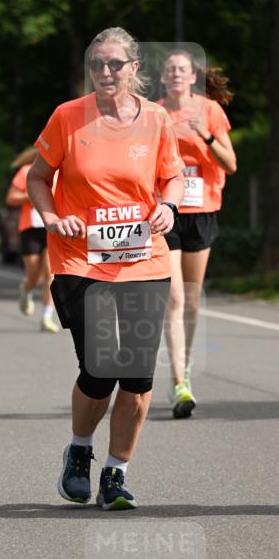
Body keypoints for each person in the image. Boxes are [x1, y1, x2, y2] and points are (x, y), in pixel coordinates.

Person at [28, 27, 184, 510]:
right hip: (80, 258)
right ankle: (79, 451)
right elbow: (38, 176)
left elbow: (173, 175)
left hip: (144, 260)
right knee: (100, 367)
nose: (104, 72)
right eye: (96, 63)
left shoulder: (156, 119)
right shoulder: (67, 117)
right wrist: (52, 217)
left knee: (136, 376)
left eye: (114, 64)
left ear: (135, 68)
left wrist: (169, 208)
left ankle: (115, 473)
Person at [159, 52, 237, 417]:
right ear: (163, 77)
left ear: (192, 77)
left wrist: (202, 134)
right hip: (168, 213)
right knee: (173, 299)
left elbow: (231, 164)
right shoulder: (154, 113)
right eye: (170, 69)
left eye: (182, 69)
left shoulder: (210, 111)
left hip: (202, 210)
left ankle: (184, 367)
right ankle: (179, 383)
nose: (176, 74)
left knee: (190, 299)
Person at [5, 147, 59, 333]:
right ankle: (26, 288)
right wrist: (33, 195)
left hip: (52, 228)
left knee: (50, 274)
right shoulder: (27, 171)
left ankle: (47, 316)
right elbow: (11, 198)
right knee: (34, 276)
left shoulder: (60, 171)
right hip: (30, 227)